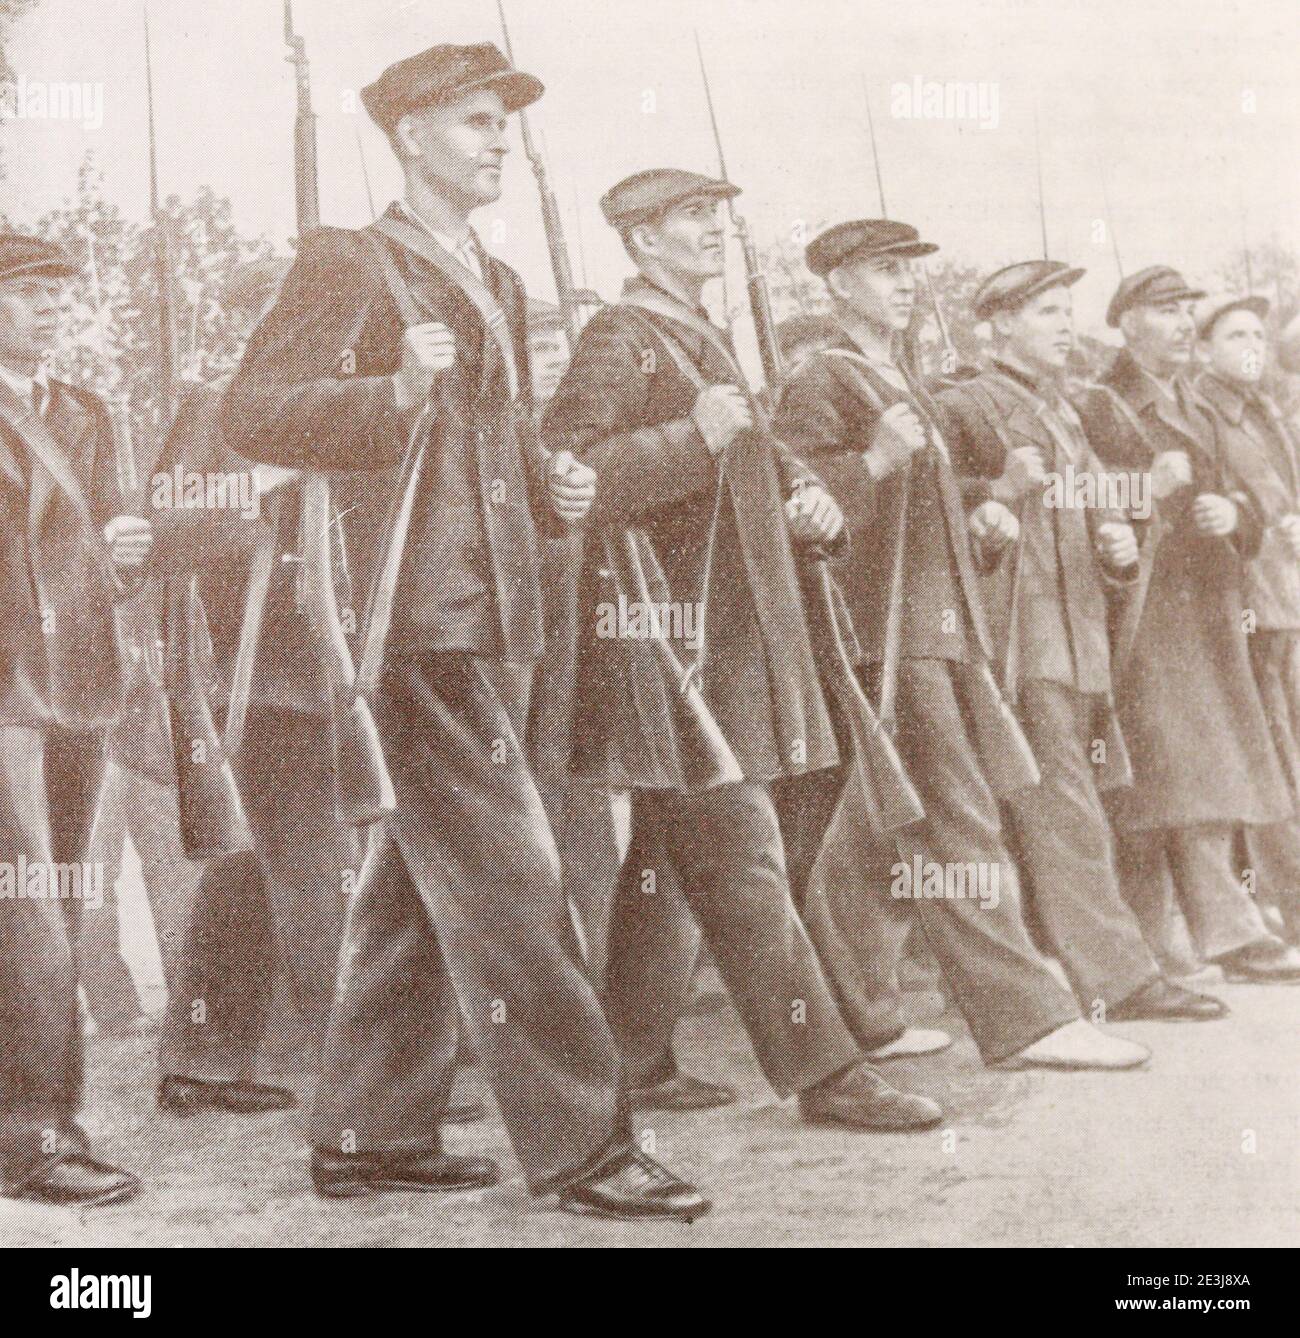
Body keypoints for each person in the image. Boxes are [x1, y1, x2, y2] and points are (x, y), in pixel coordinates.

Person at [222, 43, 709, 1221]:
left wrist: (556, 485)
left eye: (503, 125)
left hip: (484, 615)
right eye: (476, 123)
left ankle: (367, 1132)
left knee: (410, 885)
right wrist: (387, 392)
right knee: (512, 878)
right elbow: (251, 415)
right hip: (403, 625)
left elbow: (488, 453)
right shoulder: (351, 261)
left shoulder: (491, 272)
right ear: (409, 136)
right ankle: (586, 1148)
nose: (500, 142)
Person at [544, 167, 951, 1129]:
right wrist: (691, 436)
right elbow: (566, 471)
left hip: (719, 640)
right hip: (669, 649)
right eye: (695, 219)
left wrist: (808, 494)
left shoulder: (700, 336)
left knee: (670, 853)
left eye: (717, 216)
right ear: (643, 241)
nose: (716, 232)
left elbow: (749, 462)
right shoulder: (622, 337)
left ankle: (634, 1058)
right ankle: (827, 1073)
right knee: (741, 849)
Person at [775, 220, 1152, 1071]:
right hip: (889, 635)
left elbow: (935, 506)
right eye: (883, 271)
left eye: (910, 271)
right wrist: (872, 458)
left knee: (878, 828)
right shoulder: (821, 379)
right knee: (957, 819)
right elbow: (791, 504)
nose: (906, 284)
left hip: (941, 631)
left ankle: (857, 1011)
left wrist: (982, 513)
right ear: (837, 285)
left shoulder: (897, 375)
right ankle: (1029, 1020)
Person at [939, 259, 1226, 1021]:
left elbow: (1102, 502)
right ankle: (1120, 979)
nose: (1066, 328)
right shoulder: (965, 404)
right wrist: (992, 495)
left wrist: (1116, 540)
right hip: (1019, 646)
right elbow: (935, 510)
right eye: (1045, 315)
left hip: (1075, 645)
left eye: (1068, 313)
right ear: (998, 325)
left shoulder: (1062, 408)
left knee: (1069, 807)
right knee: (1062, 811)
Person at [150, 258, 381, 1116]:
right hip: (256, 679)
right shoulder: (216, 408)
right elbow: (164, 531)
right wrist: (258, 485)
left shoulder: (342, 413)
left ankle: (201, 1064)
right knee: (319, 867)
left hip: (342, 671)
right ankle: (359, 1073)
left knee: (253, 869)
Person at [1076, 267, 1300, 983]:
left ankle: (1214, 936)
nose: (1181, 324)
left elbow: (1243, 495)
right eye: (1166, 312)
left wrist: (1237, 516)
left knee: (1202, 771)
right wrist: (1148, 492)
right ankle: (1164, 942)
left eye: (1186, 311)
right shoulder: (1100, 403)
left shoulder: (1190, 401)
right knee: (1153, 781)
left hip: (1205, 611)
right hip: (1141, 614)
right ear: (1127, 322)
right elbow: (1074, 497)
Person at [0, 233, 153, 1206]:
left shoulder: (86, 411)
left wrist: (127, 547)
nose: (51, 306)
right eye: (26, 291)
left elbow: (110, 544)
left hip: (76, 685)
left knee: (49, 904)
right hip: (7, 686)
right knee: (26, 917)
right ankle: (33, 1138)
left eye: (61, 290)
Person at [1194, 294, 1300, 944]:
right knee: (1268, 763)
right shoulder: (1202, 410)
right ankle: (1283, 907)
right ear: (1206, 349)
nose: (1251, 347)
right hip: (1244, 612)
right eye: (1235, 335)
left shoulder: (1266, 412)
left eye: (1258, 335)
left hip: (1283, 604)